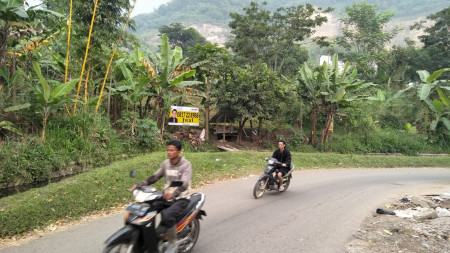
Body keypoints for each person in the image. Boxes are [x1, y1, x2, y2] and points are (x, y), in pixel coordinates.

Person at [132, 140, 191, 253]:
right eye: (168, 150)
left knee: (167, 216)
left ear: (178, 151)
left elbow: (184, 184)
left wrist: (173, 194)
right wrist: (140, 185)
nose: (169, 152)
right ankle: (151, 237)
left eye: (172, 150)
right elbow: (155, 176)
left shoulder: (186, 165)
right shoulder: (166, 163)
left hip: (181, 198)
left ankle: (173, 242)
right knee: (147, 208)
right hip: (166, 196)